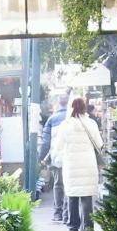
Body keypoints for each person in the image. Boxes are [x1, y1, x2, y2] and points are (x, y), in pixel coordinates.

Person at [53, 96, 103, 231]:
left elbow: (58, 146)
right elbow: (99, 143)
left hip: (71, 164)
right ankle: (87, 228)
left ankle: (73, 226)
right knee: (86, 196)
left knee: (72, 195)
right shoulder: (91, 123)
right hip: (88, 164)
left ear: (71, 107)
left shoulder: (65, 125)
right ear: (84, 107)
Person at [40, 95, 69, 224]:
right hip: (71, 156)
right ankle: (68, 213)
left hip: (57, 157)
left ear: (58, 104)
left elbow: (46, 142)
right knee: (69, 186)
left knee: (58, 184)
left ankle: (58, 213)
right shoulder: (73, 118)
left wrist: (41, 157)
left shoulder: (52, 119)